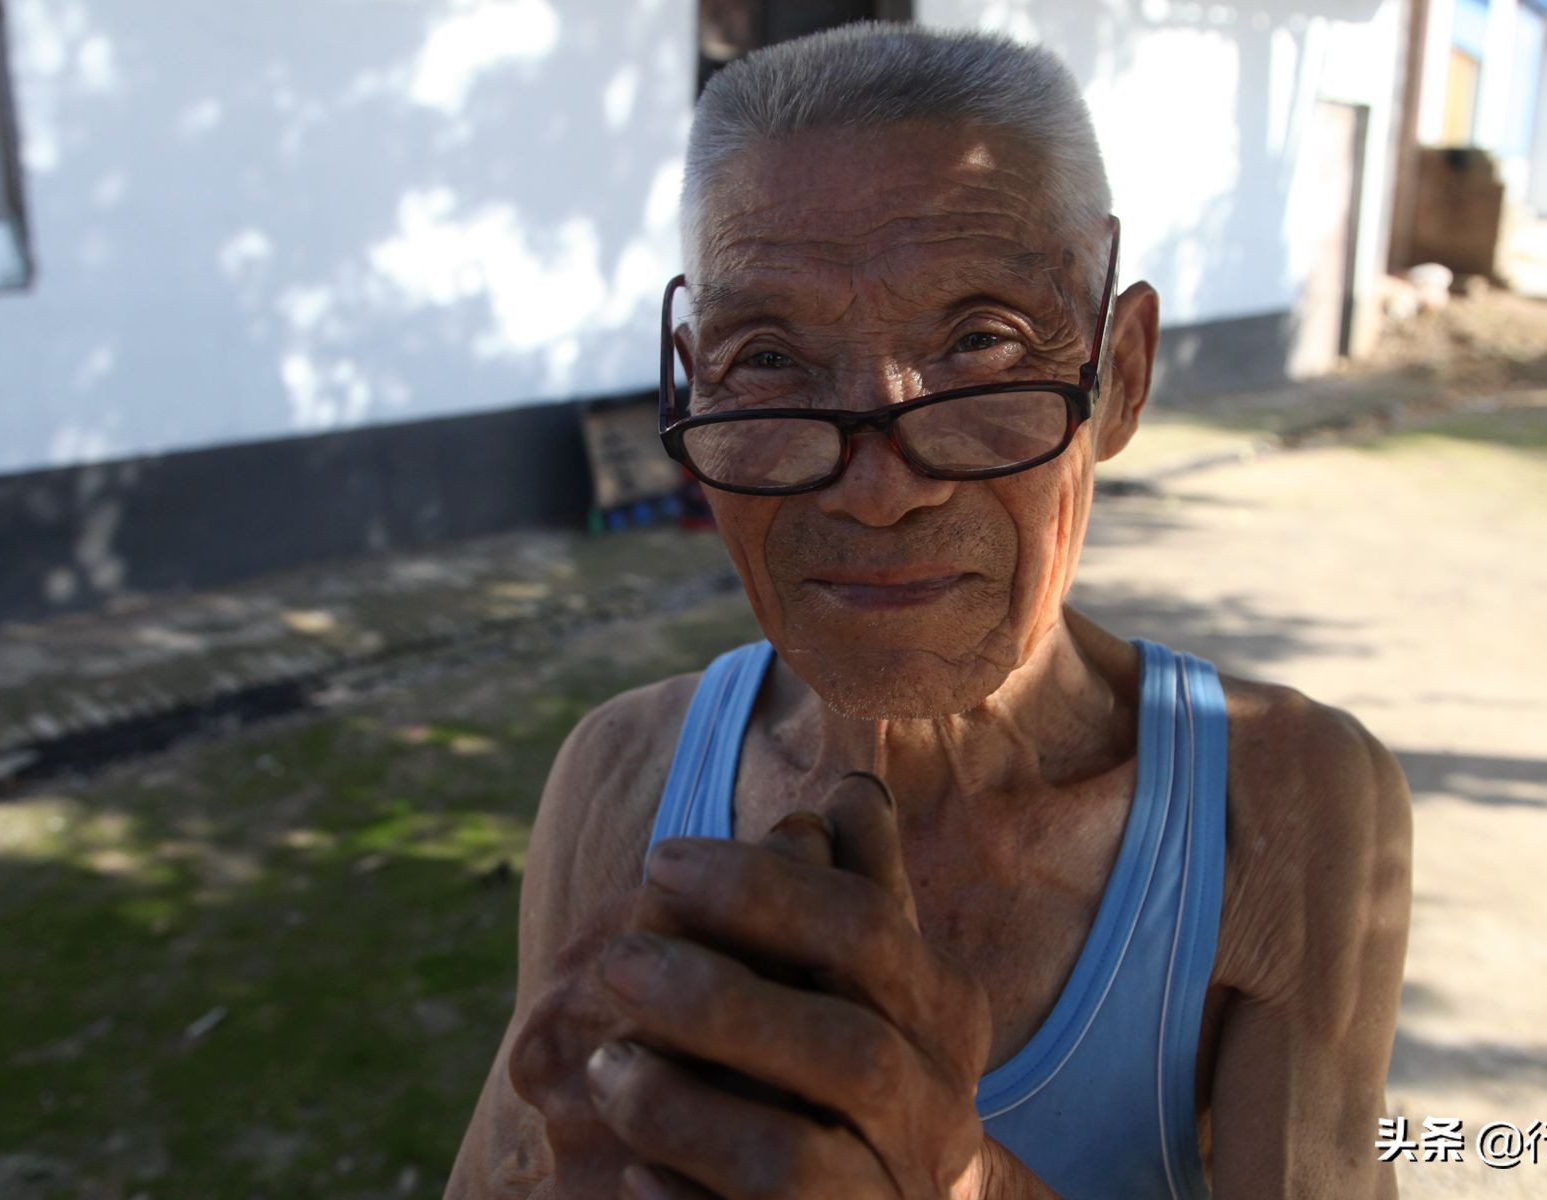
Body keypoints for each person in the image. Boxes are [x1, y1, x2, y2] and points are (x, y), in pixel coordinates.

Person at [447, 22, 1411, 1200]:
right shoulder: (620, 777)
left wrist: (959, 1181)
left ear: (1122, 376)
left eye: (980, 344)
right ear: (696, 395)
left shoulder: (1284, 795)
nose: (880, 486)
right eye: (768, 360)